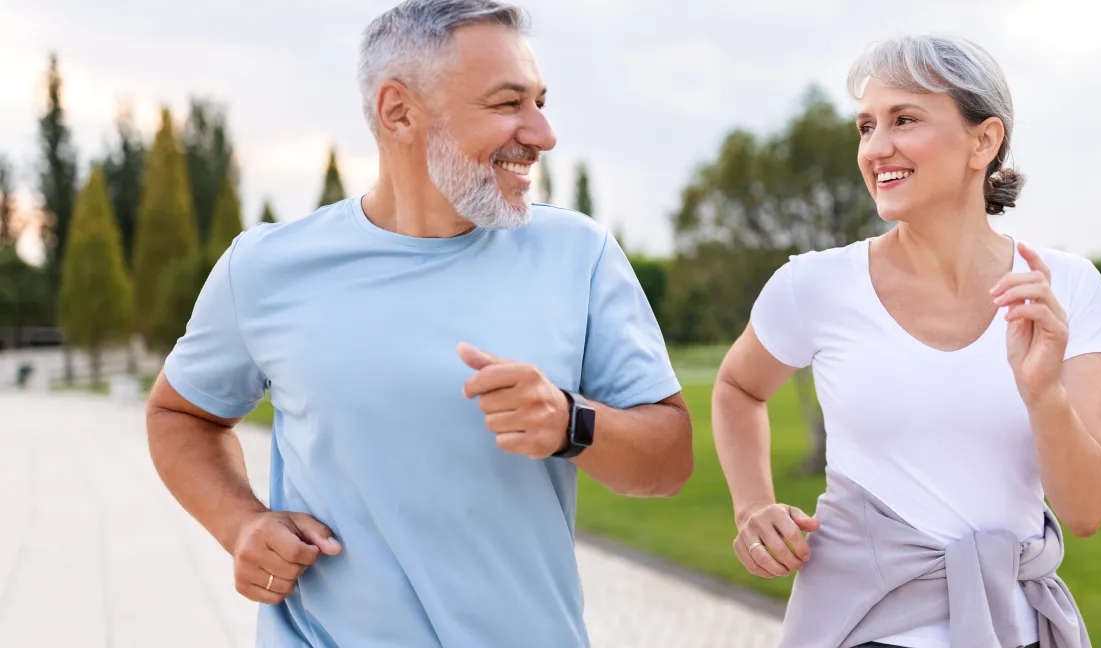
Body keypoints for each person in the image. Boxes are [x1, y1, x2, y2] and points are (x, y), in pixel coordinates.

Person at [144, 1, 692, 645]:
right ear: (399, 111)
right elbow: (181, 415)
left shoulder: (581, 255)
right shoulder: (266, 269)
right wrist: (239, 523)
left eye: (541, 102)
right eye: (508, 104)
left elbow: (670, 460)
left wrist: (571, 422)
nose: (543, 134)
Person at [712, 34, 1101, 648]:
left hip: (1016, 629)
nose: (877, 148)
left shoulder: (1065, 288)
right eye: (866, 126)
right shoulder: (813, 286)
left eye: (904, 120)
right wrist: (752, 508)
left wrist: (1042, 393)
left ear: (984, 141)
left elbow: (1086, 513)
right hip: (856, 628)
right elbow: (738, 386)